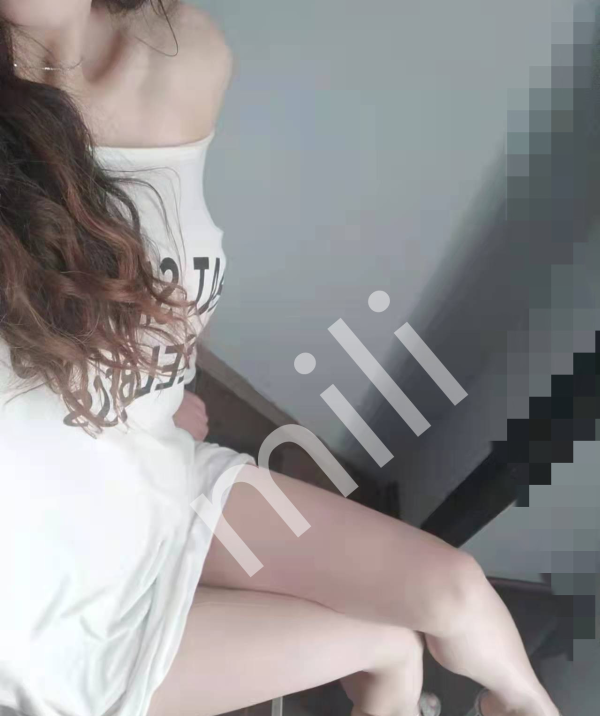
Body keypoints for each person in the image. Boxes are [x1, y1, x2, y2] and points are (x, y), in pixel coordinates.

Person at [0, 2, 563, 716]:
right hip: (44, 593)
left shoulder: (179, 53)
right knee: (390, 647)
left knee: (456, 592)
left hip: (150, 467)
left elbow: (166, 274)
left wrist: (158, 387)